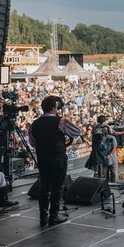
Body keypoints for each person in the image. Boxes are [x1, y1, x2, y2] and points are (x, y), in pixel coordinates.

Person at [29, 96, 83, 226]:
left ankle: (43, 218)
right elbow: (77, 132)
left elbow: (33, 143)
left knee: (44, 187)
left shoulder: (34, 124)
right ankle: (54, 216)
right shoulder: (60, 121)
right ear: (54, 108)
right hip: (58, 157)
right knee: (58, 187)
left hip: (42, 158)